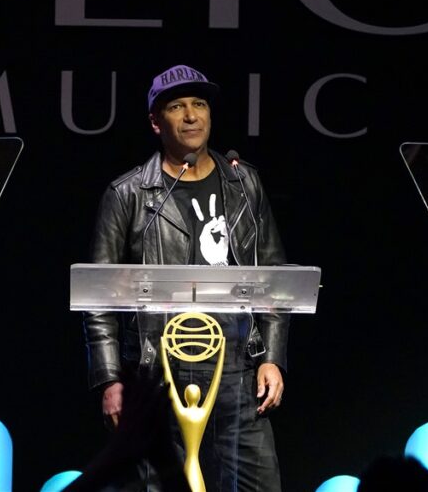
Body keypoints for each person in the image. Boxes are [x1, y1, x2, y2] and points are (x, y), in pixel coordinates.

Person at [83, 64, 290, 492]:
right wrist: (110, 379)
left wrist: (271, 356)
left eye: (199, 104)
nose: (192, 115)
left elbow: (272, 276)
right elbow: (98, 298)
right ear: (156, 122)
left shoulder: (244, 183)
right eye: (177, 107)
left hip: (237, 369)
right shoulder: (128, 194)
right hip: (159, 371)